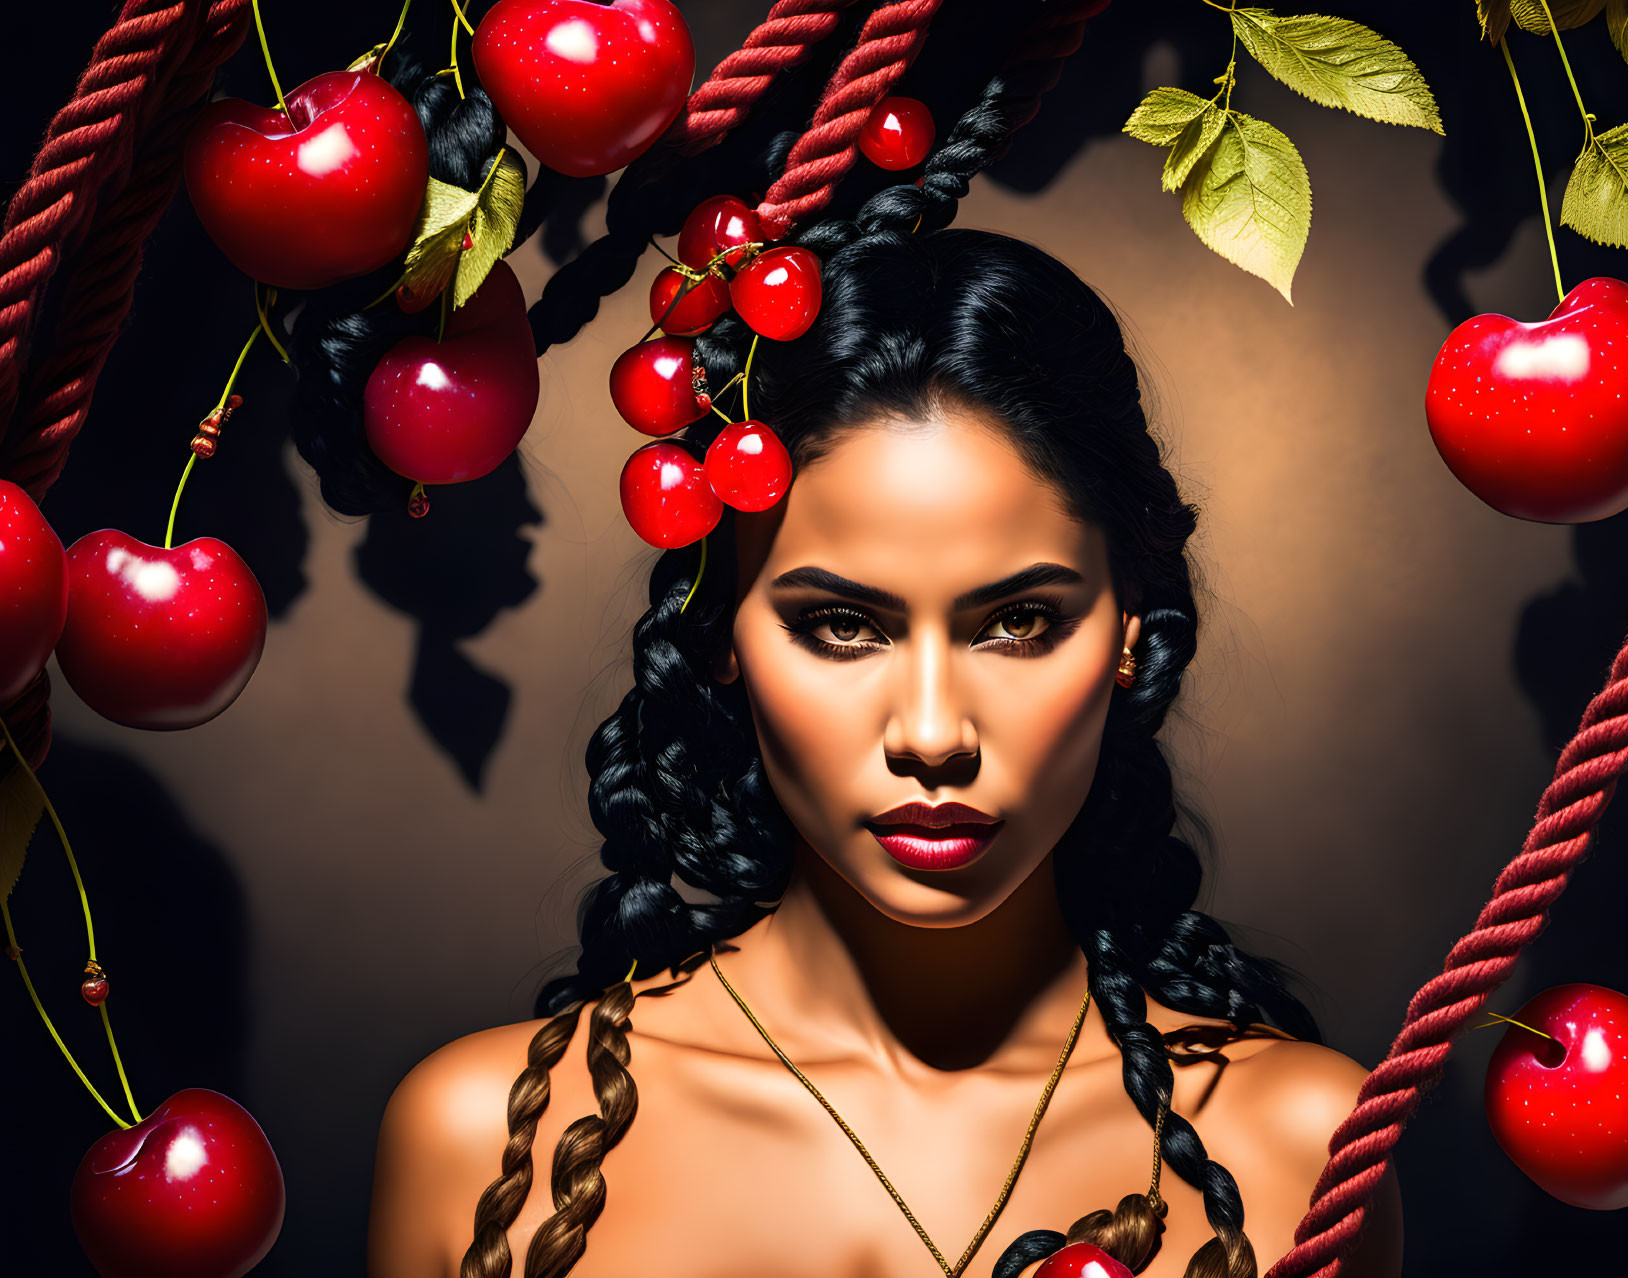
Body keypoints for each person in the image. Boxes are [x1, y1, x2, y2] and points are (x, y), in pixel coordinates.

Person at [363, 222, 1405, 1278]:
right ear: (723, 632)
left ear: (1129, 630)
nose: (932, 735)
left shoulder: (1298, 1149)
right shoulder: (477, 1144)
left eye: (1017, 623)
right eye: (843, 628)